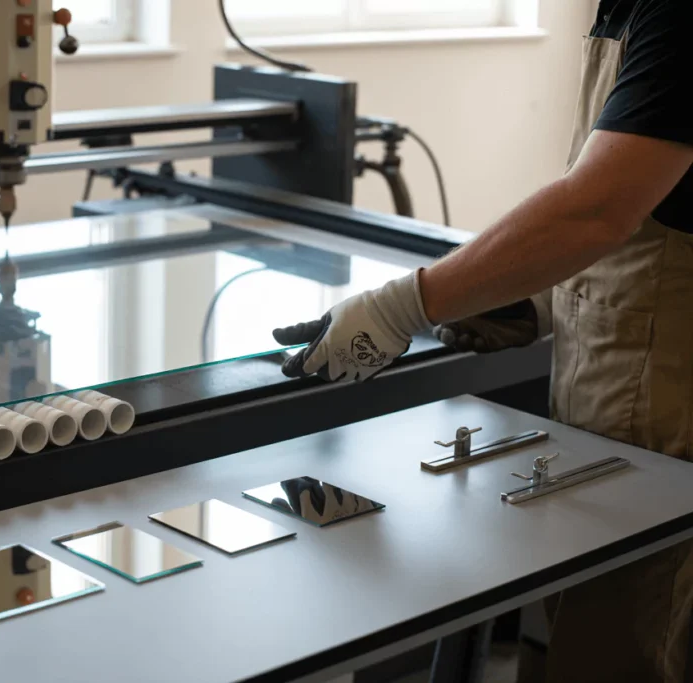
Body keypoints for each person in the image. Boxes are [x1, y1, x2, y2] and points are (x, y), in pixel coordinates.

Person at [273, 1, 693, 681]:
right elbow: (658, 210)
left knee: (631, 643)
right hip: (617, 403)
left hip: (668, 419)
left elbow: (599, 208)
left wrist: (399, 307)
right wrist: (544, 302)